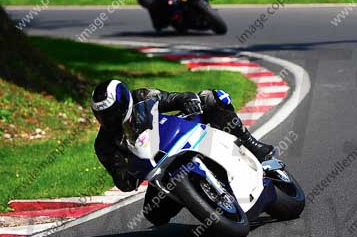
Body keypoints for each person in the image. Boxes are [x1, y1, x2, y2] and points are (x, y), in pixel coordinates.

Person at [91, 79, 275, 226]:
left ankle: (252, 145)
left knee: (210, 97)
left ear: (124, 103)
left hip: (176, 137)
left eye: (112, 112)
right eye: (102, 115)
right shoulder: (104, 144)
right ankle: (194, 197)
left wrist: (189, 100)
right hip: (159, 169)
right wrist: (130, 173)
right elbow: (121, 179)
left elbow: (173, 98)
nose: (108, 119)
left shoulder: (143, 97)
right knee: (154, 214)